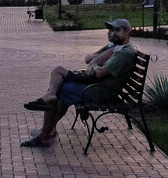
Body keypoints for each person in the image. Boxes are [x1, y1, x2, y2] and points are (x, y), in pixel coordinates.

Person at [21, 18, 138, 148]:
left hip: (99, 91)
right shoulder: (120, 48)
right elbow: (94, 63)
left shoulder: (124, 53)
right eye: (111, 30)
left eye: (117, 30)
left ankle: (44, 135)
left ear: (127, 32)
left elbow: (99, 72)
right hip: (97, 86)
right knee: (59, 85)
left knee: (60, 89)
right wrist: (95, 65)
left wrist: (94, 66)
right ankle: (48, 129)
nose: (113, 33)